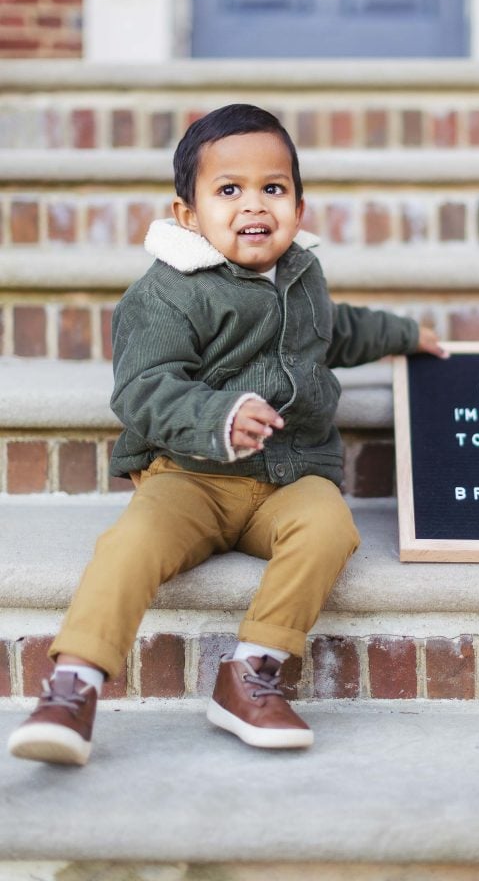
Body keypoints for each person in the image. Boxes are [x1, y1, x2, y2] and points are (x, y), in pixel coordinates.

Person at [8, 103, 445, 766]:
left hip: (289, 476)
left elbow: (338, 329)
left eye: (272, 189)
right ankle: (74, 685)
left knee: (329, 529)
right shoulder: (168, 293)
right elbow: (142, 388)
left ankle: (250, 674)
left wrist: (407, 337)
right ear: (188, 214)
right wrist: (217, 416)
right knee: (132, 543)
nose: (254, 206)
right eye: (228, 190)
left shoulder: (301, 276)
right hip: (190, 477)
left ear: (299, 206)